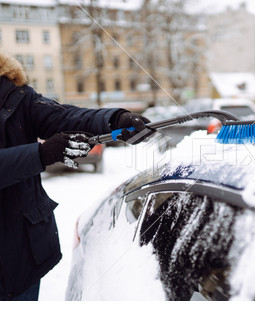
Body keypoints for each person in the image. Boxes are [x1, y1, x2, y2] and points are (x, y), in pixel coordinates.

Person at [0, 51, 153, 300]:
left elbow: (63, 116)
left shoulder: (12, 93)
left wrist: (113, 119)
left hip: (22, 257)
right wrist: (41, 154)